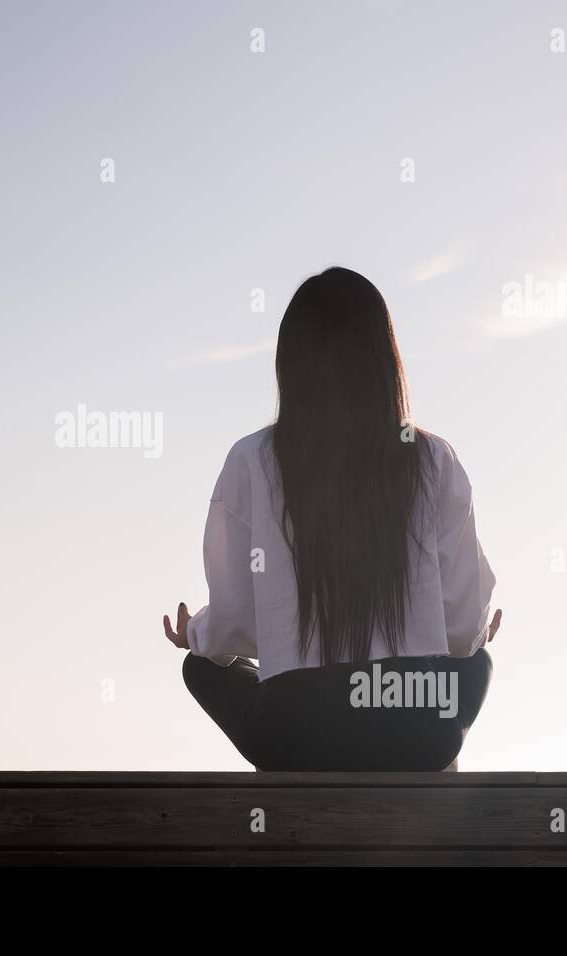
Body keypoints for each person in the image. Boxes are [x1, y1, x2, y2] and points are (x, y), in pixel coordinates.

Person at [163, 267, 500, 771]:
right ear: (384, 359)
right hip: (417, 727)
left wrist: (197, 636)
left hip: (294, 733)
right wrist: (476, 639)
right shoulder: (433, 459)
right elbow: (461, 627)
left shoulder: (252, 460)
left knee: (200, 668)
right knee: (477, 663)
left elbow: (237, 622)